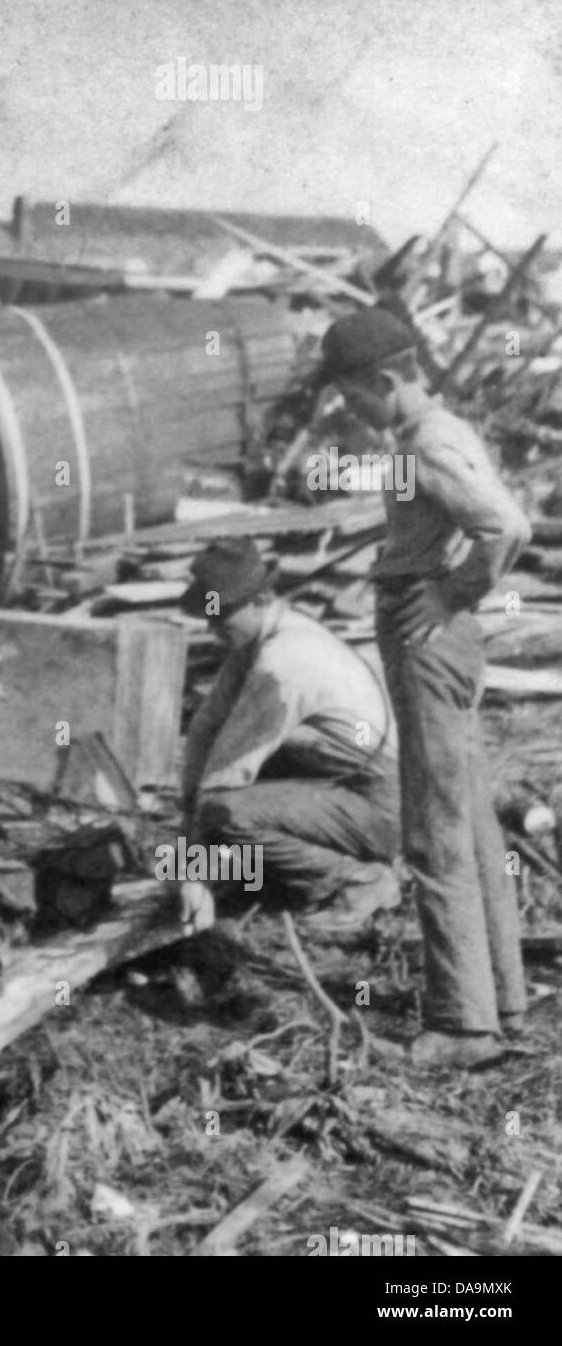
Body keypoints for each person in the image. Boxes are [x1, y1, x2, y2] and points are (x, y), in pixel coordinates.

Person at [316, 306, 531, 1068]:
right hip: (436, 632)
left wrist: (448, 596)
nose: (350, 413)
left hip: (428, 635)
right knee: (468, 820)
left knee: (434, 833)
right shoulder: (432, 435)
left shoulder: (430, 442)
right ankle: (500, 996)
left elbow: (504, 527)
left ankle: (462, 1027)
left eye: (353, 398)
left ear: (385, 380)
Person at [178, 538, 402, 935]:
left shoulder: (283, 663)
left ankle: (359, 879)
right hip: (337, 787)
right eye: (208, 616)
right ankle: (249, 877)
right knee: (219, 809)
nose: (211, 627)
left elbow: (226, 775)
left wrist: (192, 871)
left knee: (227, 812)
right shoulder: (255, 643)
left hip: (380, 803)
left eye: (221, 614)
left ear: (259, 599)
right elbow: (205, 731)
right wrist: (188, 836)